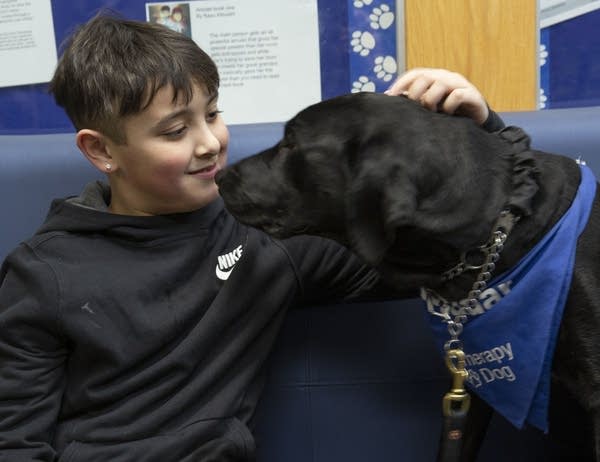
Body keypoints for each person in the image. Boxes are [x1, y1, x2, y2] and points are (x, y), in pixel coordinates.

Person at [0, 12, 504, 462]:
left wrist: (480, 134)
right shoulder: (44, 272)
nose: (209, 143)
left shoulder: (269, 236)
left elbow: (459, 249)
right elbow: (14, 439)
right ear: (101, 150)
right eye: (175, 131)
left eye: (213, 114)